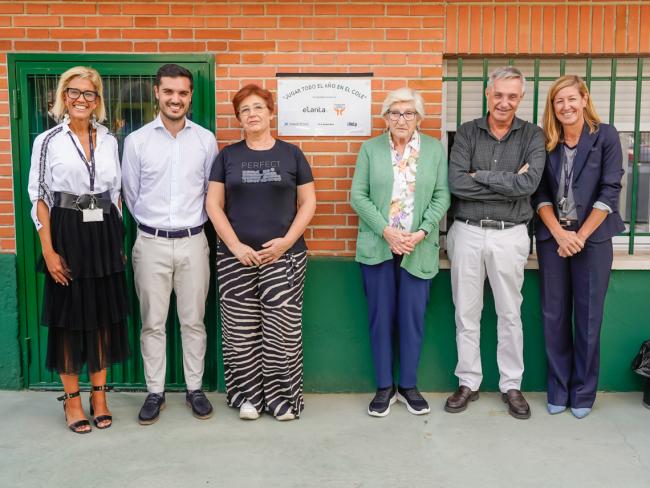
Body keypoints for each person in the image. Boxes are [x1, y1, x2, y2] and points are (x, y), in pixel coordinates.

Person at [28, 66, 130, 433]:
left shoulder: (109, 140)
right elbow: (39, 196)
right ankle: (72, 401)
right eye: (74, 92)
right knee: (70, 320)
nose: (81, 100)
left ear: (98, 100)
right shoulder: (48, 141)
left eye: (89, 94)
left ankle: (99, 396)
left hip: (103, 230)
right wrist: (50, 251)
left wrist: (116, 242)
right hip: (67, 230)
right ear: (62, 96)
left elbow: (115, 193)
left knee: (102, 318)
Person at [206, 84, 316, 421]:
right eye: (244, 110)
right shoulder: (227, 156)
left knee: (281, 331)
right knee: (240, 331)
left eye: (257, 108)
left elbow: (308, 202)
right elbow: (213, 204)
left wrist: (285, 241)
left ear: (271, 113)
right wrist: (235, 246)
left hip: (285, 257)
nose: (252, 114)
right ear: (238, 118)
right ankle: (248, 399)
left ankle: (283, 401)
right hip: (235, 259)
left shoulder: (292, 154)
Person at [445, 66, 546, 419]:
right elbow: (457, 183)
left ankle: (511, 385)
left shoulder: (533, 135)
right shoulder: (468, 132)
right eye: (499, 94)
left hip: (510, 234)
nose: (505, 102)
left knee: (509, 313)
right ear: (488, 94)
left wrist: (481, 177)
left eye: (512, 96)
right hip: (468, 231)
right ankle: (468, 381)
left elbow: (530, 184)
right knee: (466, 313)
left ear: (521, 98)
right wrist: (506, 182)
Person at [122, 64, 217, 425]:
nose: (176, 99)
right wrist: (155, 225)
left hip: (194, 241)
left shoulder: (205, 140)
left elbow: (210, 192)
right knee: (153, 322)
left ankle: (194, 389)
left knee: (194, 321)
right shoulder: (137, 142)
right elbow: (131, 195)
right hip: (151, 242)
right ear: (157, 93)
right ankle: (155, 392)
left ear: (190, 96)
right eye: (169, 92)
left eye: (183, 93)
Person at [350, 87, 450, 417]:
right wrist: (387, 231)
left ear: (419, 118)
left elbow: (441, 197)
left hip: (417, 248)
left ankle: (407, 385)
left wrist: (420, 233)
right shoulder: (370, 149)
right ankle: (384, 387)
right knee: (381, 319)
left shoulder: (434, 150)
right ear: (386, 118)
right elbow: (358, 196)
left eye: (408, 113)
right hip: (379, 246)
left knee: (412, 319)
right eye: (395, 113)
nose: (401, 119)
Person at [533, 75, 624, 419]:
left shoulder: (606, 136)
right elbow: (539, 194)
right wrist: (559, 233)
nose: (566, 106)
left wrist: (580, 237)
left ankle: (583, 392)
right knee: (554, 315)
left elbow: (610, 189)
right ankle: (558, 389)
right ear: (552, 107)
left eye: (572, 99)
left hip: (593, 239)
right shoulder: (547, 141)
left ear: (584, 99)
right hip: (553, 239)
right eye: (559, 101)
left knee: (587, 318)